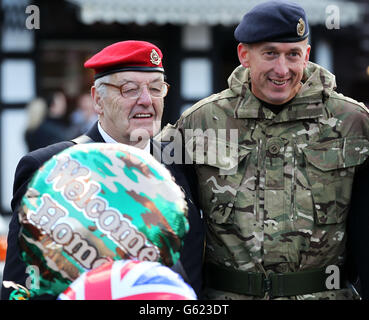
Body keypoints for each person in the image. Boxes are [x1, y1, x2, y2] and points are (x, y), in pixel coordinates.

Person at [156, 1, 369, 300]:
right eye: (270, 54)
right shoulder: (200, 121)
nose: (281, 70)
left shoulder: (352, 122)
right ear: (245, 55)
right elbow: (161, 202)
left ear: (306, 55)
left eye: (293, 54)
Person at [1, 40, 204, 300]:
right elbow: (22, 285)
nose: (146, 100)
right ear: (98, 100)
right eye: (129, 89)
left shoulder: (181, 162)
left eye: (156, 88)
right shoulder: (52, 166)